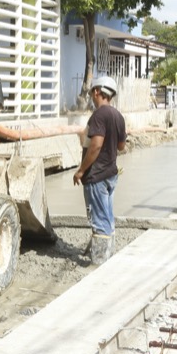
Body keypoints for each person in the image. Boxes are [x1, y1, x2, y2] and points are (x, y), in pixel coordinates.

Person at [74, 75, 127, 263]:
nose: (91, 97)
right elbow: (121, 146)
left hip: (96, 176)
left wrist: (81, 170)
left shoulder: (99, 115)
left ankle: (99, 263)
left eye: (92, 93)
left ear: (97, 92)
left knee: (99, 223)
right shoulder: (118, 116)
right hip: (111, 175)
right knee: (107, 218)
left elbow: (95, 145)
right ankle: (109, 257)